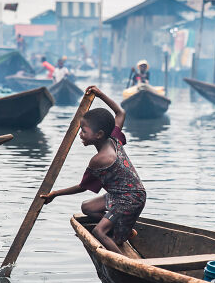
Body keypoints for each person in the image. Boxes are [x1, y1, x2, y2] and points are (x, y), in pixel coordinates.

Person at [40, 87, 145, 254]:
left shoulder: (99, 159)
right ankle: (123, 229)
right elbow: (120, 112)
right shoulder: (113, 137)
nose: (80, 134)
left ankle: (122, 261)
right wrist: (100, 94)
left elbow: (82, 187)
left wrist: (55, 193)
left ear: (99, 134)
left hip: (129, 199)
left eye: (84, 131)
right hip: (124, 195)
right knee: (87, 207)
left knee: (99, 232)